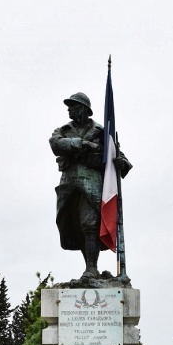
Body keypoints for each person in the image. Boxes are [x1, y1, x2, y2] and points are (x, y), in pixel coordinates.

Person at [49, 92, 131, 280]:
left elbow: (119, 154)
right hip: (68, 184)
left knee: (89, 223)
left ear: (84, 109)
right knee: (74, 226)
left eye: (73, 106)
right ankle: (90, 267)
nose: (69, 109)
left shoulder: (101, 131)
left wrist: (122, 163)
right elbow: (55, 144)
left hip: (92, 182)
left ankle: (91, 268)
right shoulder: (64, 130)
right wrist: (82, 143)